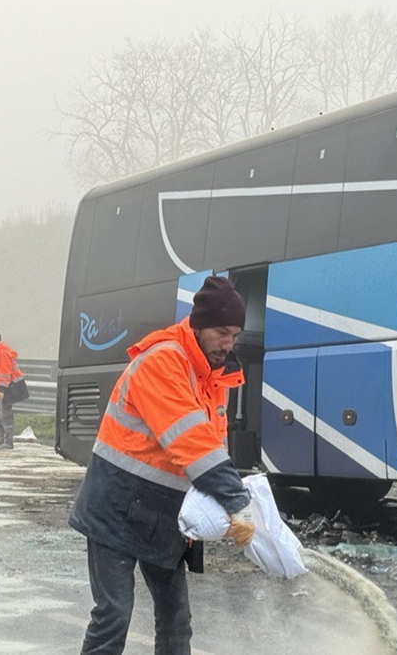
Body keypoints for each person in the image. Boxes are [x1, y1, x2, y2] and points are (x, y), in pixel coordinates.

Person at [69, 276, 256, 655]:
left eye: (235, 335)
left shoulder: (213, 378)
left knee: (176, 620)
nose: (229, 344)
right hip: (115, 509)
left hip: (162, 516)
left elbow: (208, 452)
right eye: (222, 332)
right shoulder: (163, 362)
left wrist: (218, 505)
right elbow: (194, 445)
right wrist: (237, 501)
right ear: (199, 325)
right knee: (114, 615)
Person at [0, 330, 24, 450]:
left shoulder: (2, 353)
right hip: (0, 389)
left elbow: (4, 373)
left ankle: (9, 441)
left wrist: (1, 390)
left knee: (5, 415)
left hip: (7, 389)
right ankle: (2, 436)